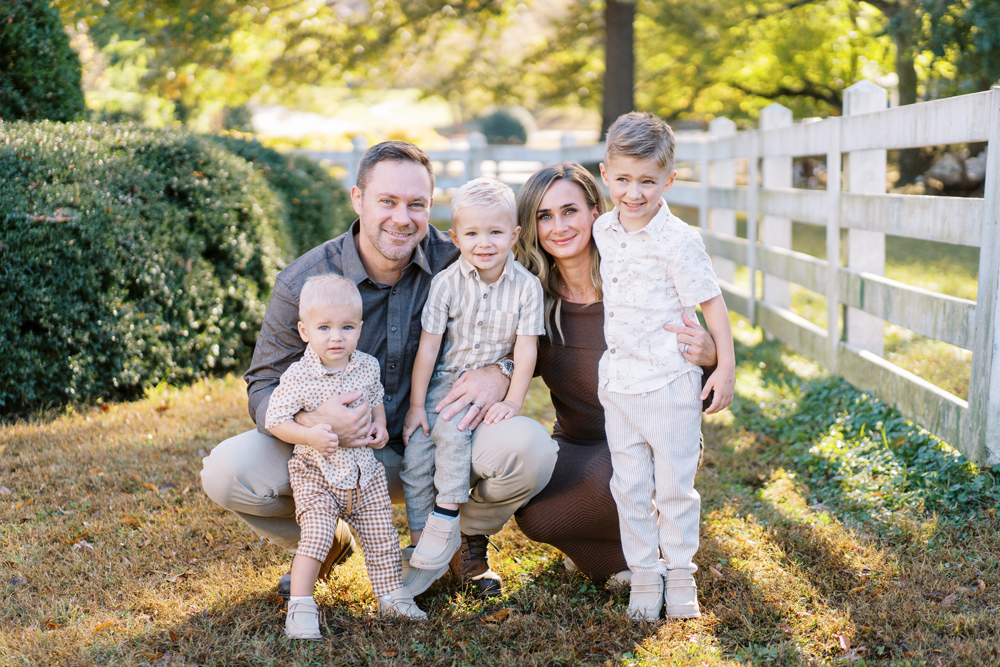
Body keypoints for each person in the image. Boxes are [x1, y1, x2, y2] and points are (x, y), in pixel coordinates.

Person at [200, 141, 558, 602]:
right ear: (358, 199)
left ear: (431, 208)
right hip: (333, 454)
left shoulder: (463, 258)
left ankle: (459, 540)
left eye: (416, 204)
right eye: (387, 201)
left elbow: (532, 334)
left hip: (438, 436)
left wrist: (502, 372)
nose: (402, 218)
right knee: (228, 471)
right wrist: (313, 422)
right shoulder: (305, 282)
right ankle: (323, 536)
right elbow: (263, 384)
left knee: (531, 450)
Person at [512, 162, 719, 590]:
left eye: (569, 211)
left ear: (595, 212)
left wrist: (710, 354)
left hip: (656, 434)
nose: (558, 227)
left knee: (616, 486)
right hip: (576, 441)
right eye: (543, 216)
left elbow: (698, 366)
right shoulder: (532, 296)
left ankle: (632, 555)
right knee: (534, 514)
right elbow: (504, 361)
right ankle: (628, 557)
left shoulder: (641, 277)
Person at [593, 112, 735, 621]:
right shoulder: (602, 230)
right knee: (628, 488)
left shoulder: (679, 239)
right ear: (606, 173)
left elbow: (711, 303)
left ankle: (680, 576)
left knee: (674, 486)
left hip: (671, 380)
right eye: (624, 179)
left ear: (668, 181)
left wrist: (725, 367)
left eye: (647, 181)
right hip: (620, 384)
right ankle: (644, 576)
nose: (634, 193)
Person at [264, 274, 425, 639]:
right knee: (317, 536)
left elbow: (376, 398)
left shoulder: (367, 365)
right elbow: (276, 419)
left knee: (382, 535)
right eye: (324, 327)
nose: (336, 337)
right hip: (317, 472)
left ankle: (390, 595)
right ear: (305, 331)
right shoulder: (299, 376)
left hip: (363, 473)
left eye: (346, 327)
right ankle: (301, 605)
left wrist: (380, 427)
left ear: (360, 329)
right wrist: (308, 435)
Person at [401, 178, 544, 572]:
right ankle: (420, 538)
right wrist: (416, 405)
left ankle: (447, 515)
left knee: (452, 430)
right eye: (473, 233)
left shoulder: (527, 288)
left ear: (514, 235)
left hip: (485, 386)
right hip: (442, 380)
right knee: (415, 456)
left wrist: (513, 399)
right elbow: (428, 348)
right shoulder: (445, 284)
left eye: (496, 232)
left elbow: (527, 347)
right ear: (455, 237)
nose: (485, 243)